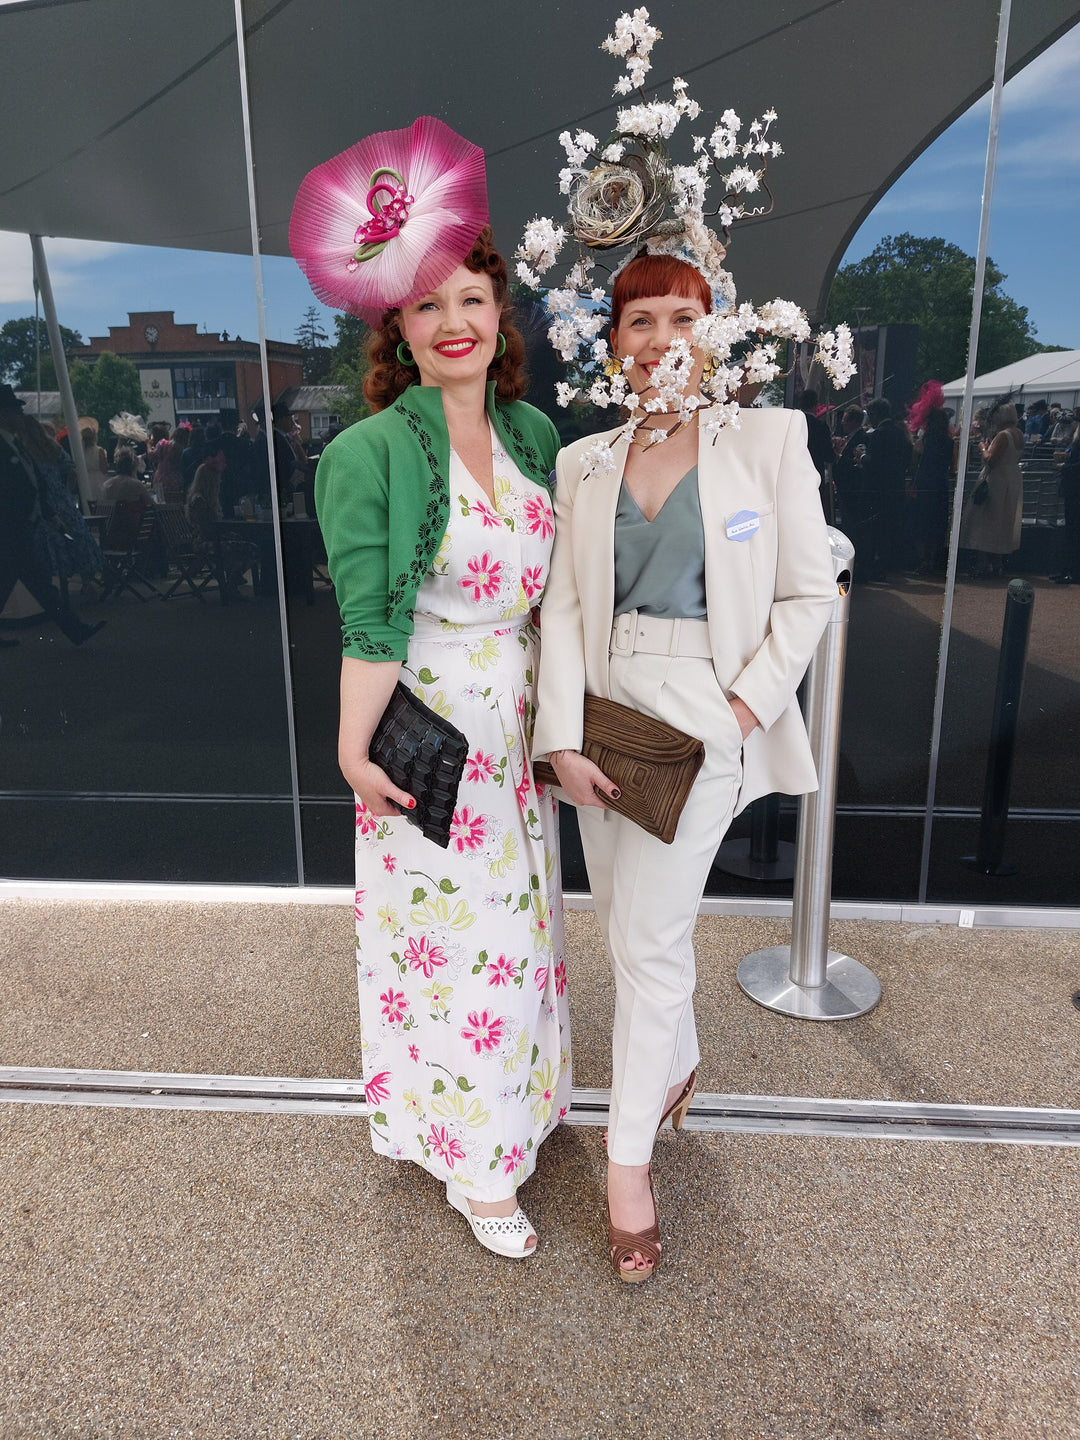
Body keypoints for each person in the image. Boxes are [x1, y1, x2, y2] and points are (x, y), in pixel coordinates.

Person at [297, 118, 570, 1258]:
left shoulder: (535, 434)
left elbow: (558, 601)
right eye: (427, 305)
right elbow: (370, 621)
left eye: (472, 299)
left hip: (514, 728)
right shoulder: (370, 455)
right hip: (426, 732)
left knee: (522, 937)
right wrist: (355, 754)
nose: (453, 323)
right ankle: (472, 1162)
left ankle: (507, 1111)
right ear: (395, 329)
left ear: (500, 315)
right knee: (452, 949)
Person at [533, 252, 836, 1280]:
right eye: (640, 320)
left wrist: (744, 708)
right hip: (601, 721)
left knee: (651, 945)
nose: (661, 337)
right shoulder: (581, 462)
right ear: (612, 342)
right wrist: (561, 739)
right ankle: (681, 1063)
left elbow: (807, 593)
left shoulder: (766, 440)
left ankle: (626, 1167)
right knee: (626, 926)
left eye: (683, 316)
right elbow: (566, 607)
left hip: (704, 720)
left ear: (715, 332)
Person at [959, 397, 1024, 577]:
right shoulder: (1018, 433)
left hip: (996, 481)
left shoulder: (1003, 435)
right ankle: (997, 564)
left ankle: (983, 565)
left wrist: (982, 447)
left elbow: (991, 460)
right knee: (1003, 522)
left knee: (986, 520)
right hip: (1011, 479)